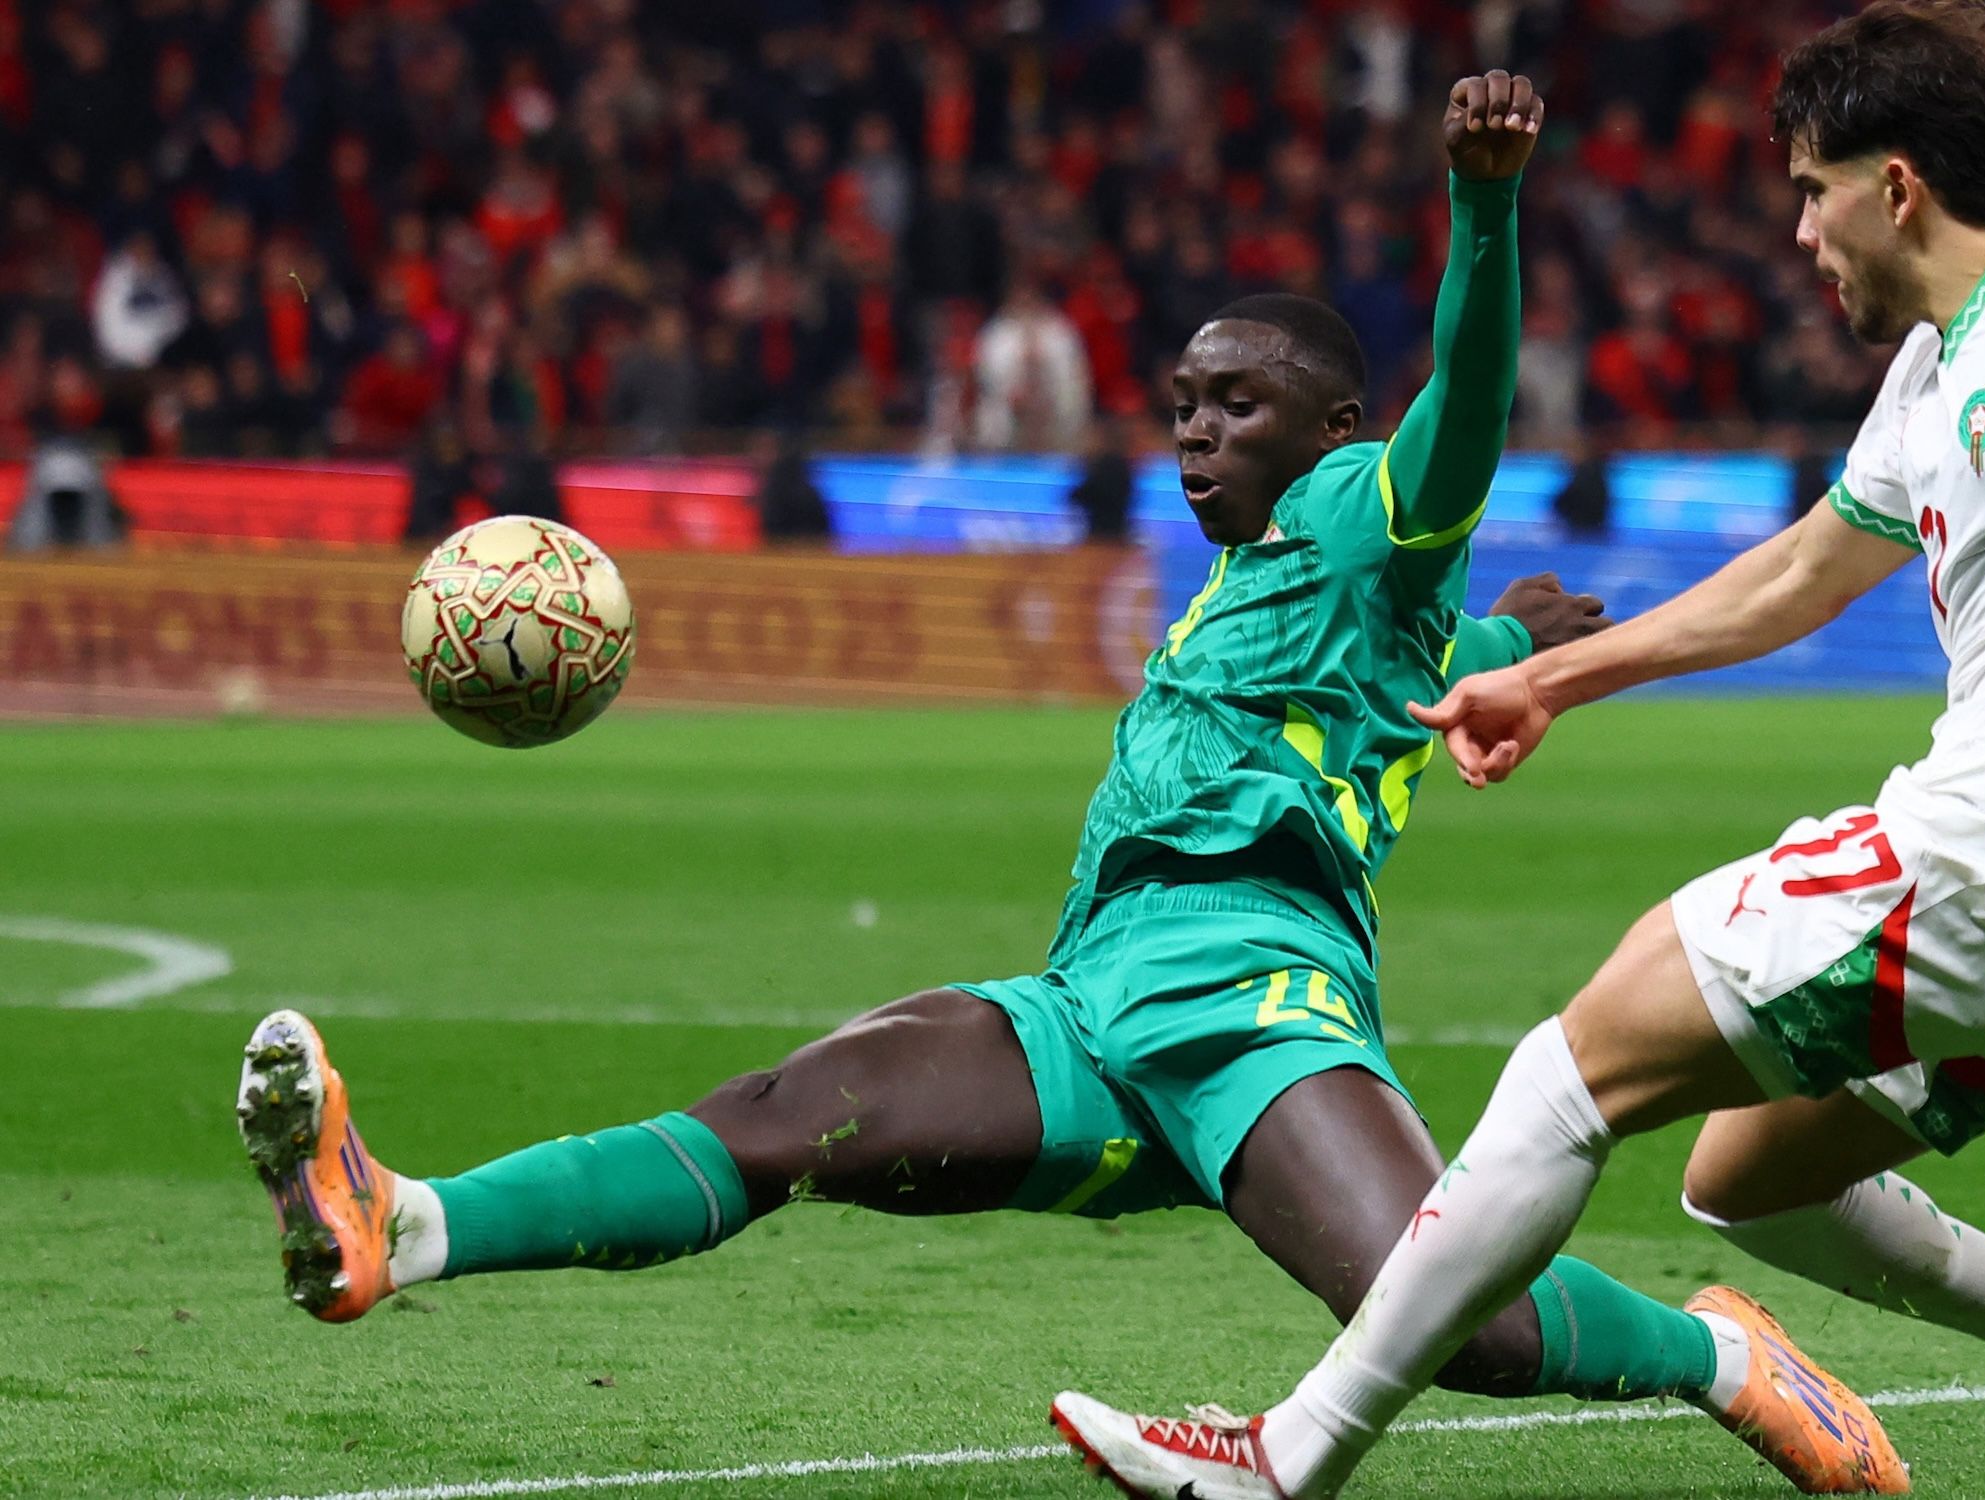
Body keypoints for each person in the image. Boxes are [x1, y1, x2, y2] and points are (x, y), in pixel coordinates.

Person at [236, 72, 1899, 1498]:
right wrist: (1505, 634)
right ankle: (405, 1224)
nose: (1195, 437)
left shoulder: (1353, 515)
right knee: (774, 1122)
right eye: (1180, 406)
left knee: (1460, 1323)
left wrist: (1483, 212)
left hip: (1254, 993)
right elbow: (1410, 657)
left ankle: (1718, 1356)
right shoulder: (1274, 583)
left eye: (1236, 407)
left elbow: (1458, 430)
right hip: (1093, 1000)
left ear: (1334, 429)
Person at [1050, 9, 1985, 1499]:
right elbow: (1795, 578)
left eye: (1811, 190)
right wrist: (1554, 680)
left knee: (1569, 1070)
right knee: (1744, 1185)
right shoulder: (1943, 363)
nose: (1801, 232)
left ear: (1895, 187)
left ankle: (1285, 1459)